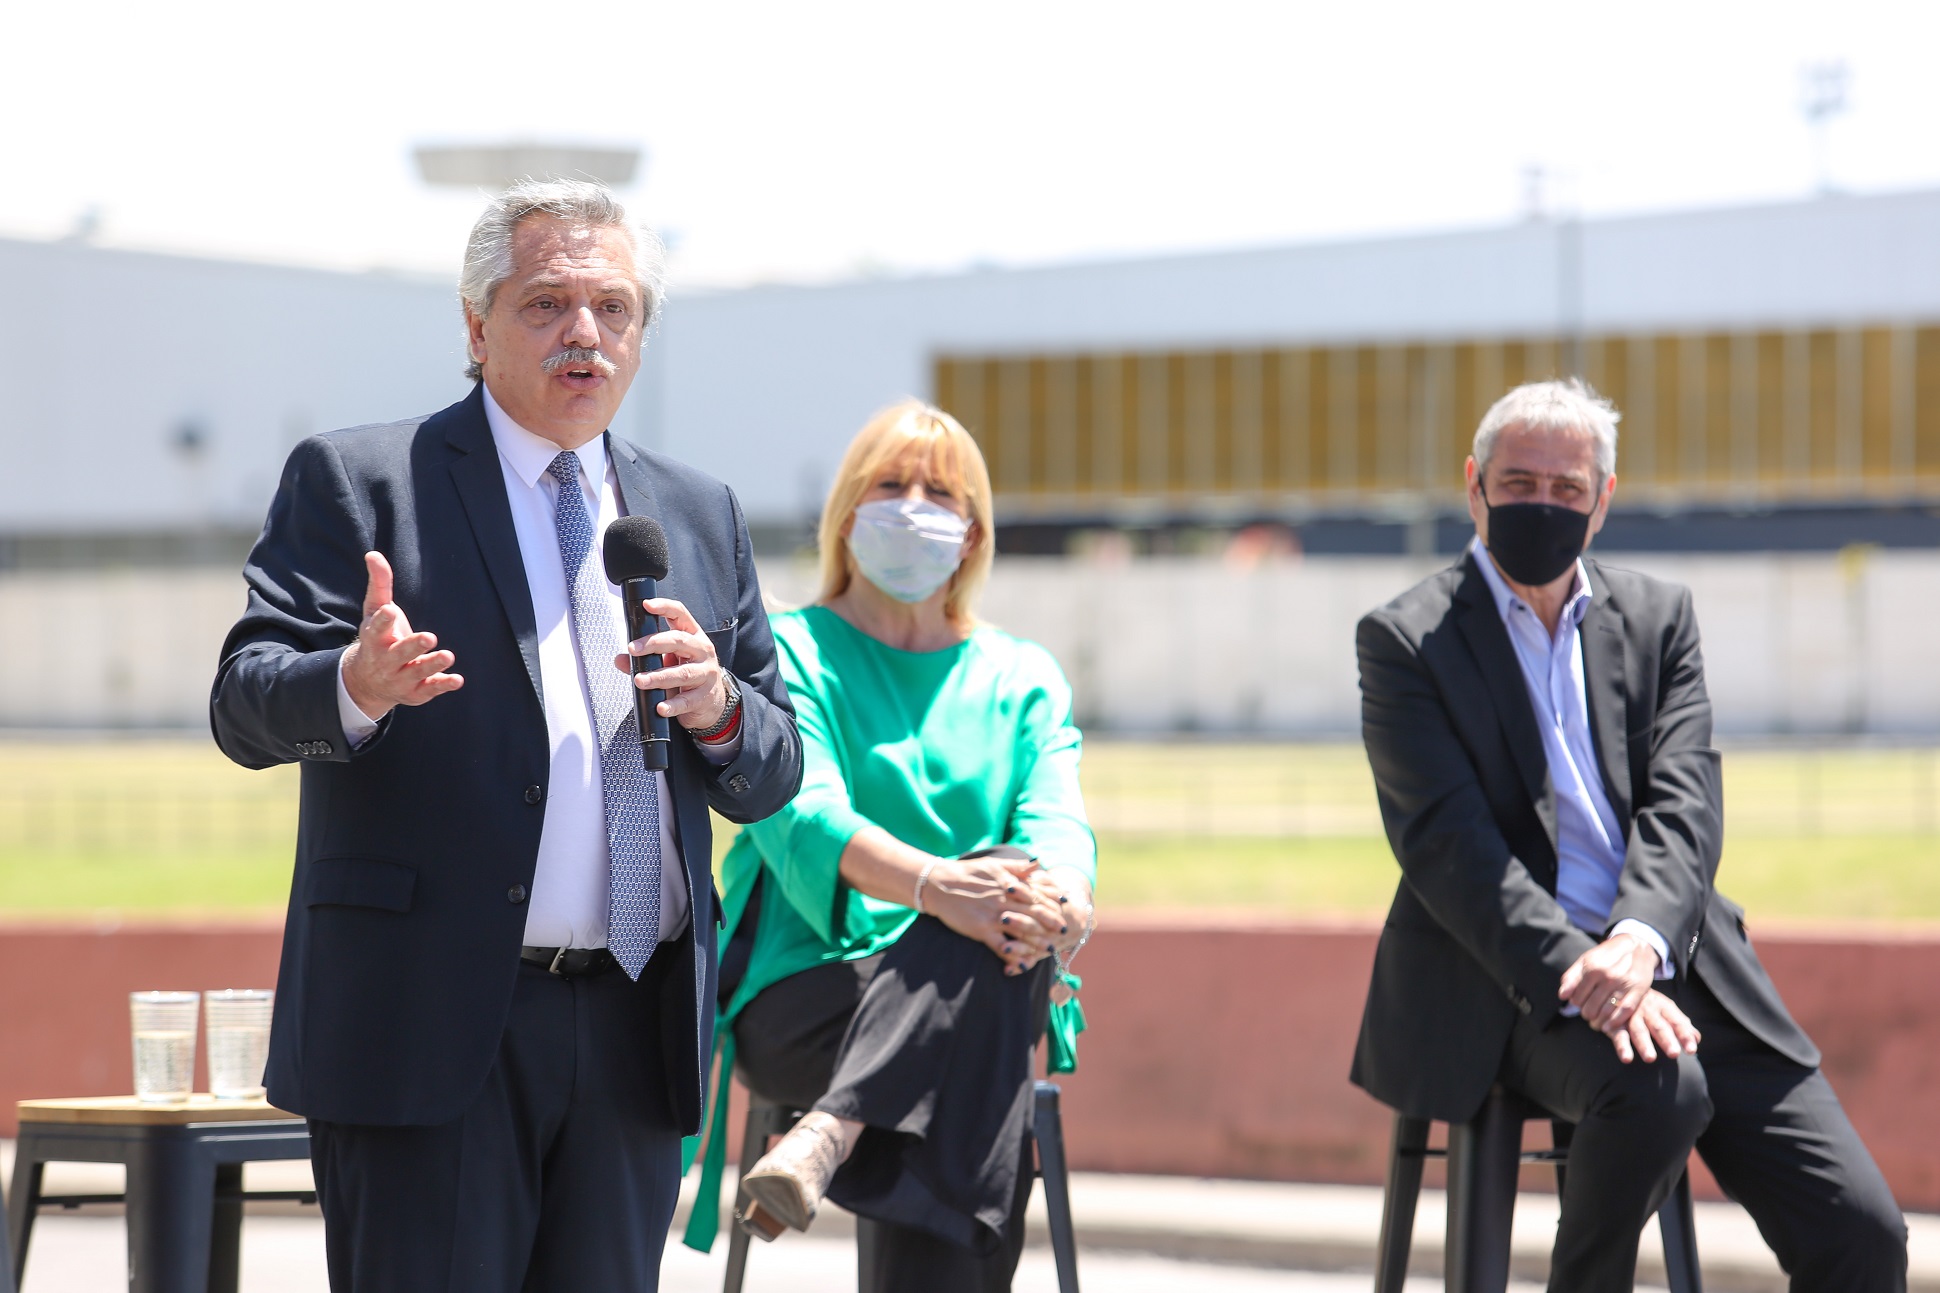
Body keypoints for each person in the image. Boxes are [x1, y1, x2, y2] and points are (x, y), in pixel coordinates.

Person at [208, 179, 802, 1292]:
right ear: (476, 329)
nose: (585, 332)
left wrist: (721, 708)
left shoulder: (697, 513)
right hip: (430, 1026)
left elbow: (774, 771)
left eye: (614, 307)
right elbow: (244, 698)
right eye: (546, 304)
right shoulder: (363, 482)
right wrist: (355, 681)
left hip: (635, 1023)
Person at [1351, 378, 1906, 1292]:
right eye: (1519, 481)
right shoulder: (1408, 639)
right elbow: (1449, 846)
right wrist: (1586, 971)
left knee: (1862, 1232)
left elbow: (1684, 805)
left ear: (1603, 500)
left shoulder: (1658, 618)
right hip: (1507, 980)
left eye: (1568, 489)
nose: (1543, 504)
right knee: (1658, 1089)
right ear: (1474, 484)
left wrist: (1637, 947)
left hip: (1677, 963)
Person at [683, 400, 1096, 1292]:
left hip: (981, 982)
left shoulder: (1021, 675)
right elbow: (804, 816)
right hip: (809, 993)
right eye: (892, 484)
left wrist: (1061, 896)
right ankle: (844, 1115)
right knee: (982, 977)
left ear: (973, 528)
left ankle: (832, 1131)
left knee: (992, 938)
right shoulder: (789, 651)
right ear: (846, 513)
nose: (915, 505)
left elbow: (1058, 818)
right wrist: (946, 889)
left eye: (939, 491)